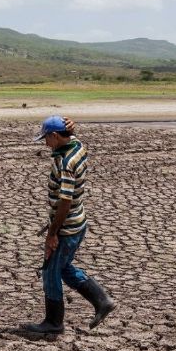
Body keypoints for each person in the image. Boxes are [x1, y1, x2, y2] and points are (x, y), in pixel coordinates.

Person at [23, 116, 116, 334]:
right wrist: (73, 129)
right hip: (78, 222)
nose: (45, 143)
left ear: (55, 135)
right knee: (63, 268)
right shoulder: (78, 147)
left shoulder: (66, 163)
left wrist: (52, 234)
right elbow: (72, 137)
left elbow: (65, 202)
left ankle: (54, 322)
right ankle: (102, 301)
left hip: (67, 227)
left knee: (51, 272)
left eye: (46, 138)